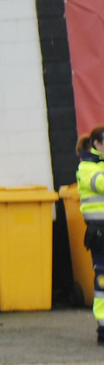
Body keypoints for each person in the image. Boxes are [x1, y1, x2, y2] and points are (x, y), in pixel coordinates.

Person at [78, 125, 104, 344]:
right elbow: (100, 183)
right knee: (103, 279)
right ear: (97, 144)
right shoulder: (87, 166)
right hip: (100, 232)